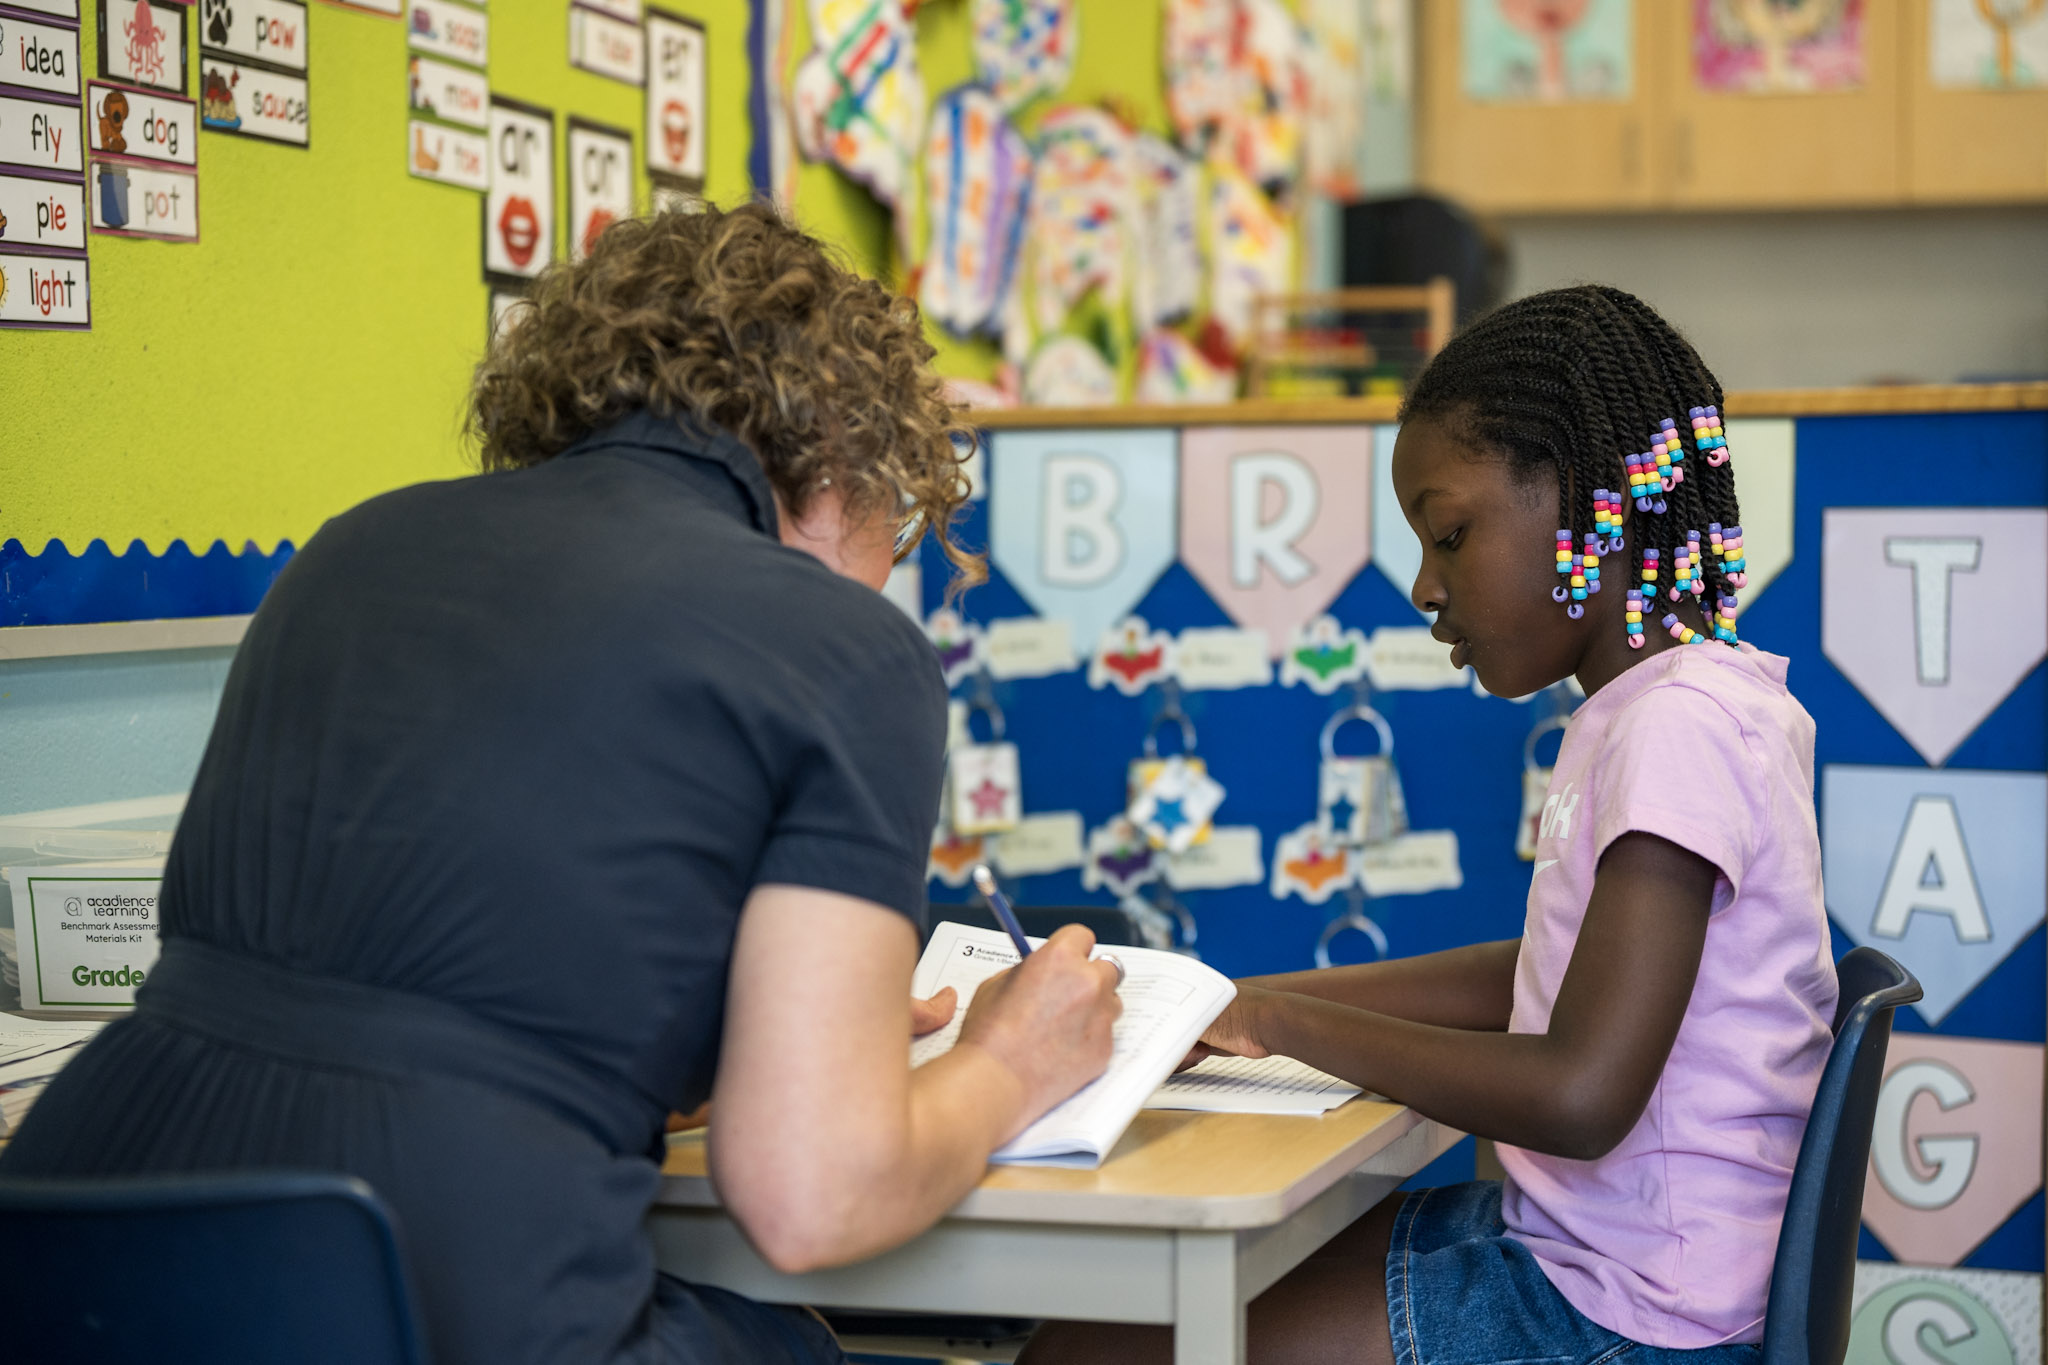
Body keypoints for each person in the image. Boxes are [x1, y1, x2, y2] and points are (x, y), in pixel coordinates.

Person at [0, 204, 1125, 1365]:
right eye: (898, 530)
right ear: (844, 461)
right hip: (426, 1298)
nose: (884, 576)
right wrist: (1009, 1064)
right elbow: (813, 1200)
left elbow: (457, 988)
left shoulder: (353, 550)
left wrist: (769, 1050)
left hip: (81, 1259)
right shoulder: (840, 647)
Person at [1023, 286, 1837, 1365]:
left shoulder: (1677, 725)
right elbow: (1536, 973)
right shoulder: (1676, 704)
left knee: (1095, 1350)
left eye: (1449, 535)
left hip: (1628, 1316)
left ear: (1591, 498)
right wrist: (1224, 1001)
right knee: (1136, 1304)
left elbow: (1580, 1094)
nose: (1422, 585)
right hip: (1614, 1264)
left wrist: (1278, 1023)